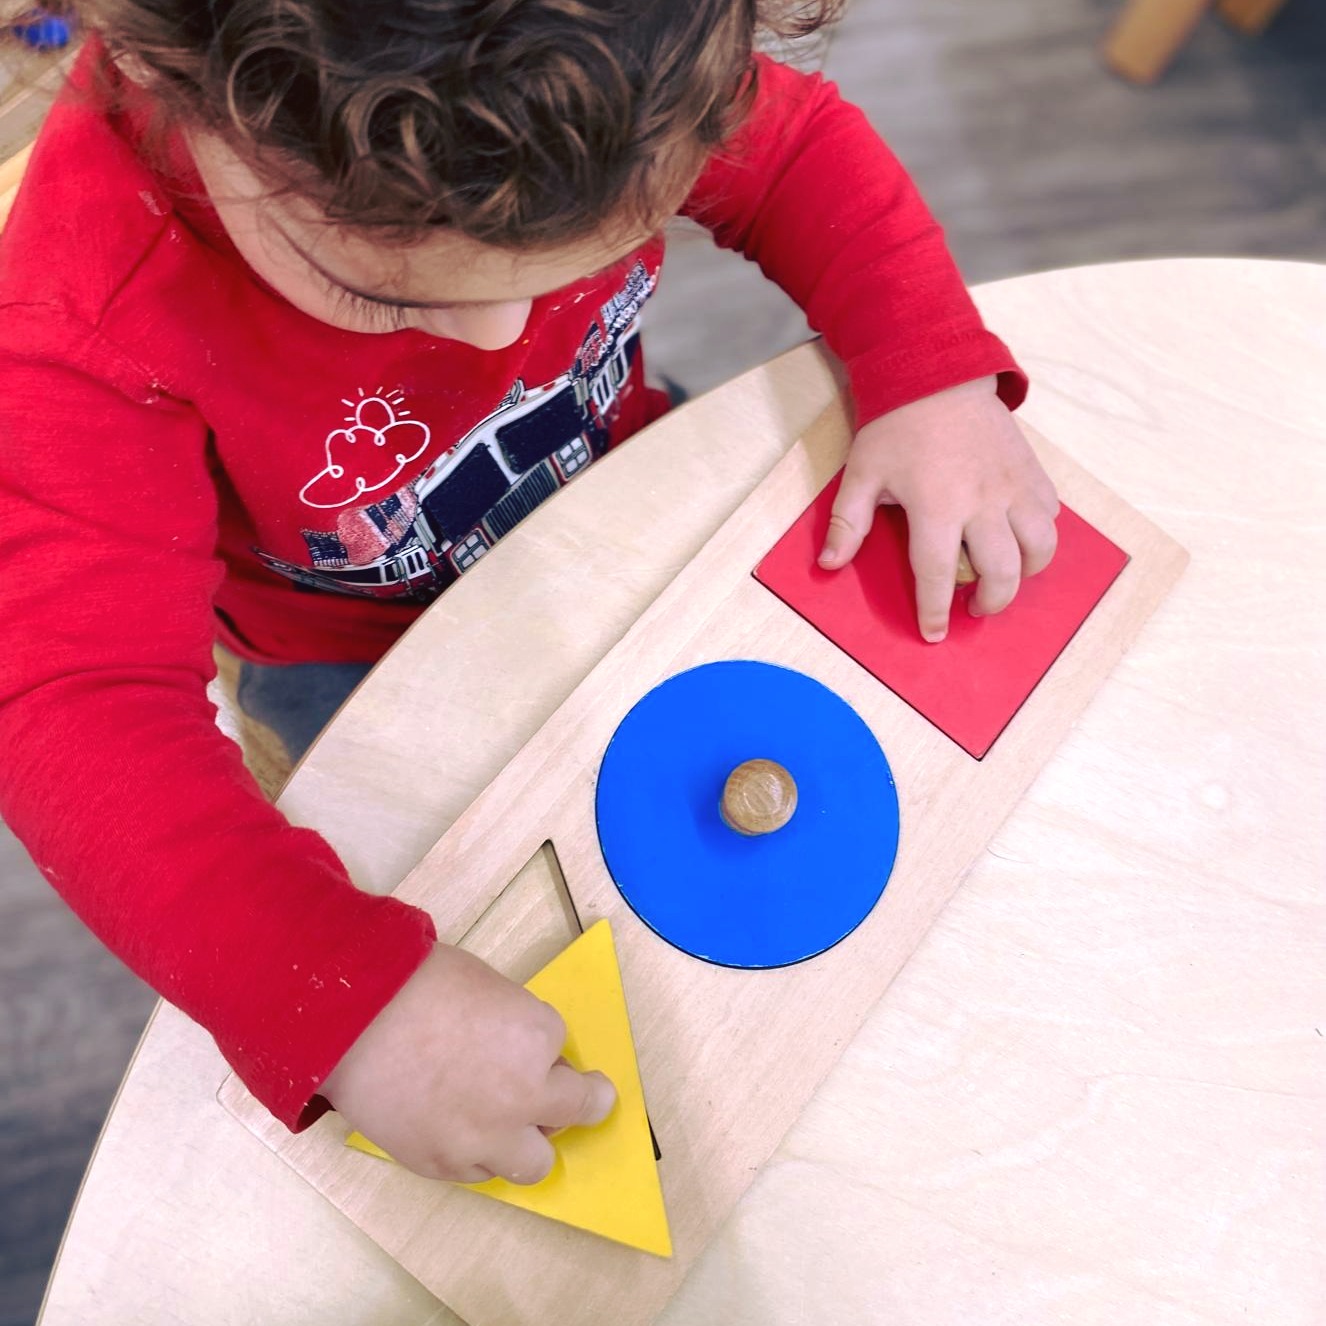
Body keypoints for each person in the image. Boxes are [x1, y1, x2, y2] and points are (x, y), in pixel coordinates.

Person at [0, 0, 1059, 1188]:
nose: (498, 335)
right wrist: (343, 1003)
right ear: (167, 66)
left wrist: (931, 373)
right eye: (388, 297)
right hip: (361, 666)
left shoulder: (628, 58)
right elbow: (75, 703)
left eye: (607, 248)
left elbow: (796, 152)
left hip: (624, 492)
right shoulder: (77, 313)